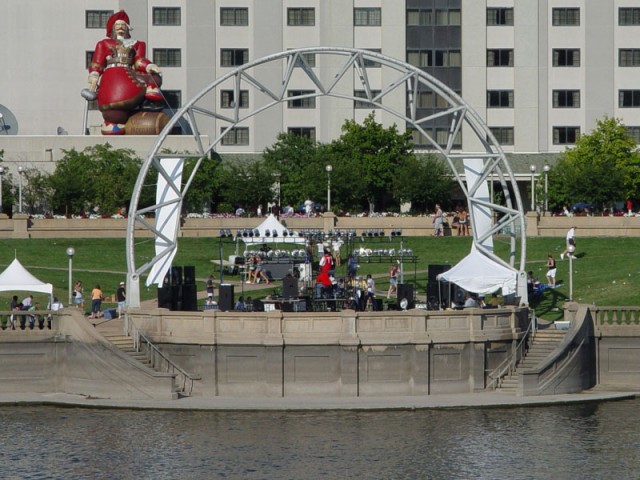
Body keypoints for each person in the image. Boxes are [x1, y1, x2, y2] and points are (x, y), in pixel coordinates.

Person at [87, 10, 163, 135]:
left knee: (154, 77)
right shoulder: (103, 44)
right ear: (113, 28)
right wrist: (94, 74)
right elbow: (97, 63)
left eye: (123, 25)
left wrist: (149, 65)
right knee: (114, 108)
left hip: (129, 73)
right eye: (117, 25)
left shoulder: (138, 44)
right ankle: (112, 122)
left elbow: (139, 60)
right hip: (112, 76)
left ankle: (149, 95)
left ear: (128, 27)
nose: (120, 27)